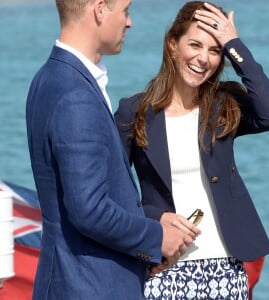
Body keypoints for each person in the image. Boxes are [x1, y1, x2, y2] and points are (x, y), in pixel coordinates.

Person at [25, 0, 200, 299]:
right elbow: (89, 209)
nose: (129, 22)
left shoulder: (49, 78)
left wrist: (148, 222)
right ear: (99, 8)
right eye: (126, 10)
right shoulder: (75, 94)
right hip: (88, 286)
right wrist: (157, 238)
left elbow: (84, 197)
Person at [115, 1, 269, 299]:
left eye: (214, 50)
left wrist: (234, 44)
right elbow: (112, 186)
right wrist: (153, 216)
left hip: (225, 266)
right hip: (164, 266)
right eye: (195, 44)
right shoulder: (135, 111)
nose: (203, 58)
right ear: (172, 44)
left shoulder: (224, 106)